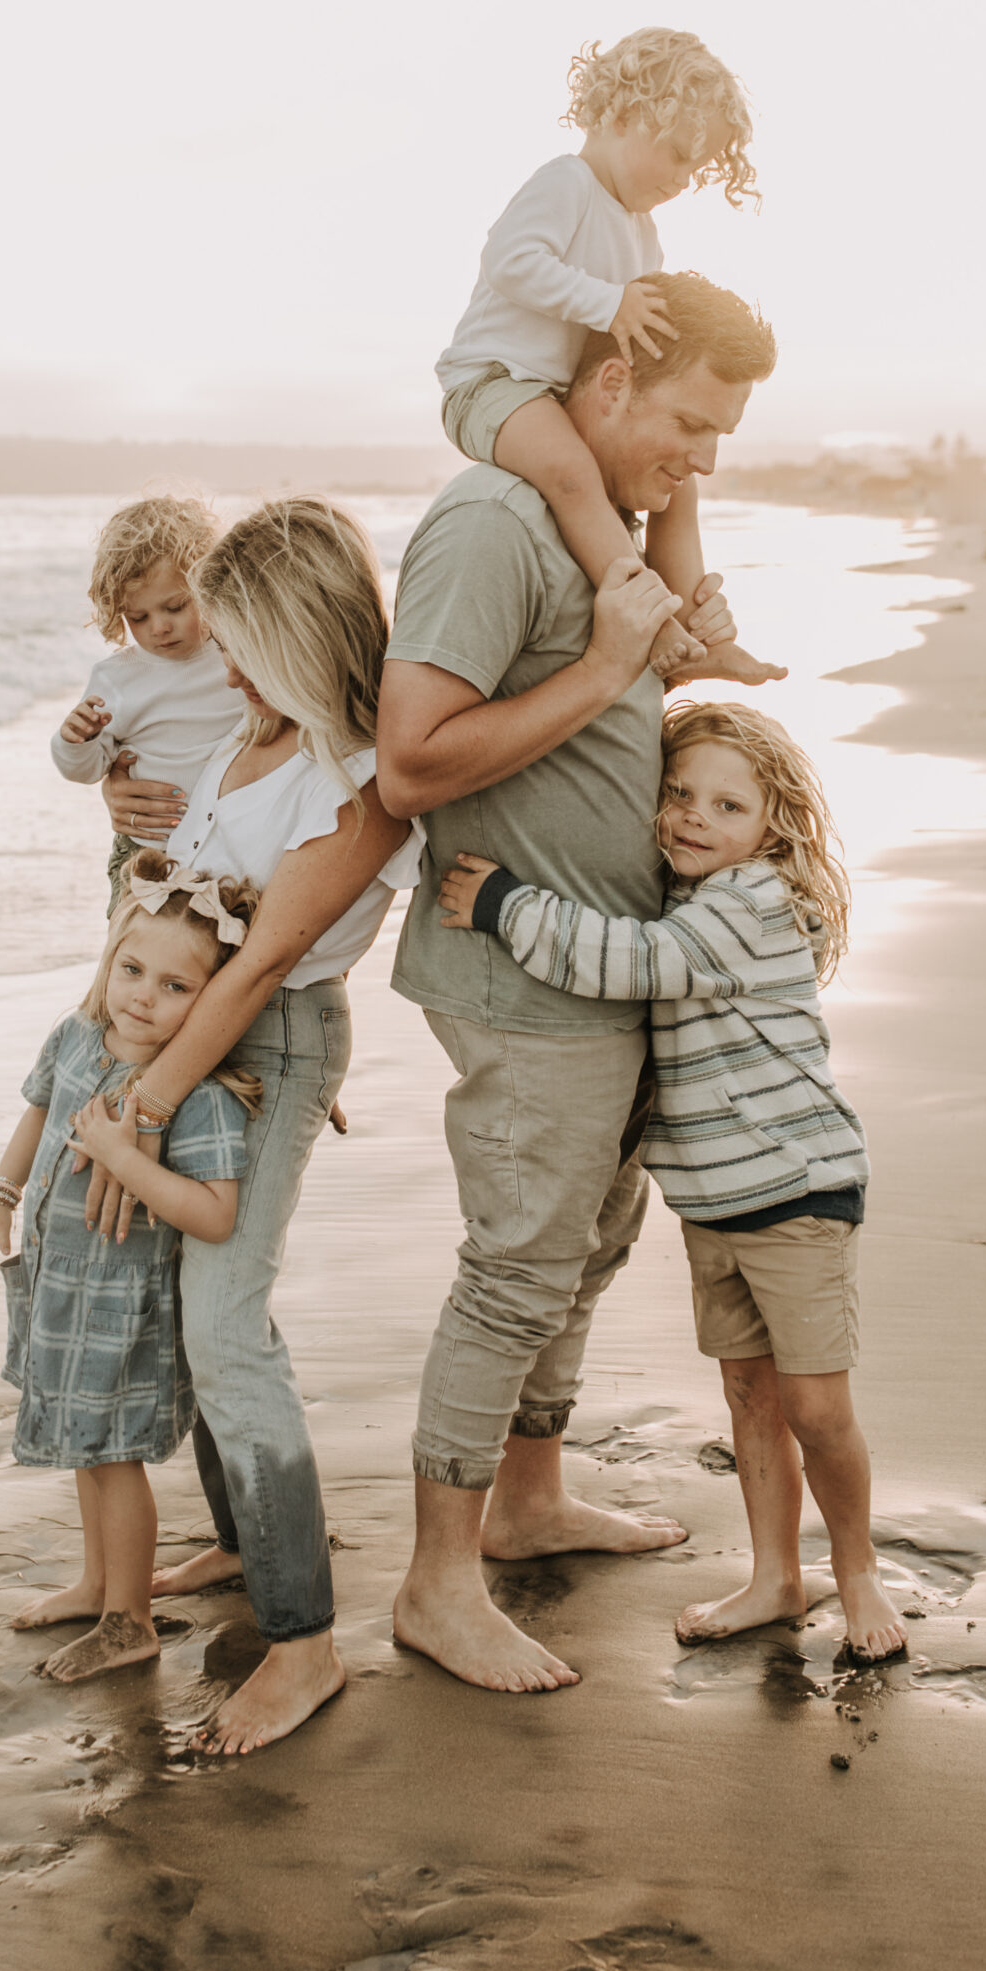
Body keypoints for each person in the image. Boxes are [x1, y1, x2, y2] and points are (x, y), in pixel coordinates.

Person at [377, 278, 777, 1694]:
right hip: (517, 977)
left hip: (610, 970)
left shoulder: (597, 525)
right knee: (515, 1270)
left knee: (585, 1247)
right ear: (601, 385)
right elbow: (409, 760)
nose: (703, 457)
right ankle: (433, 1579)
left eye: (723, 433)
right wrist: (612, 656)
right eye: (686, 422)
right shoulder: (493, 520)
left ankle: (526, 1501)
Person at [437, 699, 907, 1662]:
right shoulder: (695, 895)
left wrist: (505, 905)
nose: (694, 816)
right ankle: (775, 1578)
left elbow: (637, 962)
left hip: (796, 1193)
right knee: (749, 1398)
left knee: (816, 1408)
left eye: (726, 806)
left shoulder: (748, 904)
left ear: (770, 828)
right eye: (678, 793)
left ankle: (856, 1575)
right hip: (716, 1205)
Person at [84, 497, 422, 1752]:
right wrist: (120, 805)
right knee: (209, 1311)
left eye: (239, 638)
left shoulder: (360, 777)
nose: (217, 663)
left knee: (225, 1329)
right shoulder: (252, 729)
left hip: (260, 1045)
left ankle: (306, 1641)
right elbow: (194, 900)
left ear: (296, 631)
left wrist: (145, 1103)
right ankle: (239, 1545)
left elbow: (270, 957)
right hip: (201, 1035)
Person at [0, 852, 262, 1684]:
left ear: (211, 1001)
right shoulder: (73, 1035)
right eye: (132, 969)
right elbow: (36, 1112)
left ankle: (129, 1620)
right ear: (109, 959)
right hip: (58, 1278)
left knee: (112, 1452)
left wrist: (117, 1155)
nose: (144, 995)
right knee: (83, 1449)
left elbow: (213, 1211)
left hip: (122, 1301)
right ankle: (99, 1582)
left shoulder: (195, 1090)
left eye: (176, 987)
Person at [435, 26, 783, 689]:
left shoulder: (642, 233)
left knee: (679, 488)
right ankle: (647, 619)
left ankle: (692, 618)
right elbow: (509, 262)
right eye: (678, 155)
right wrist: (606, 304)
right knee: (570, 472)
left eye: (697, 167)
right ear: (623, 116)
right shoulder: (565, 183)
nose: (683, 179)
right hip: (494, 383)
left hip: (556, 393)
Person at [51, 494, 242, 910]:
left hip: (230, 853)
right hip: (146, 856)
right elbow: (88, 769)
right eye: (138, 617)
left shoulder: (239, 654)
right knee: (134, 967)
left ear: (208, 584)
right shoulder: (117, 678)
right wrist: (74, 742)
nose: (159, 628)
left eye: (175, 606)